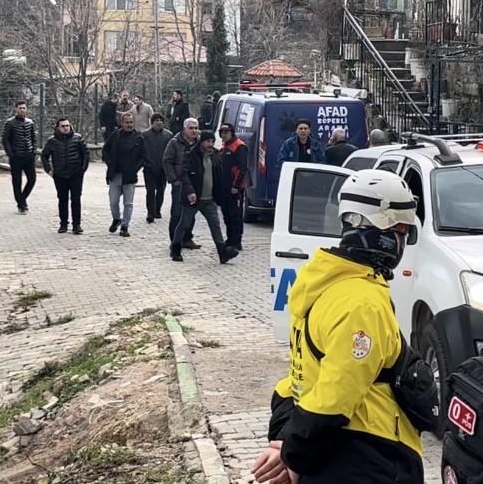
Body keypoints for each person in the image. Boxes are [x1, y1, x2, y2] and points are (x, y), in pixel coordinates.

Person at [253, 169, 424, 484]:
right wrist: (294, 457)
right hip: (369, 457)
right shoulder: (362, 303)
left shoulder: (323, 282)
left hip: (329, 452)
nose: (403, 240)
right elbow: (336, 396)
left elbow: (303, 373)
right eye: (401, 229)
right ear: (380, 229)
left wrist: (288, 441)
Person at [173, 131, 238, 264]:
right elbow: (184, 175)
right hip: (194, 199)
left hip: (209, 199)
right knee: (184, 223)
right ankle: (175, 247)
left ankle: (222, 251)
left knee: (215, 224)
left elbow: (218, 175)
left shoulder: (215, 155)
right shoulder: (190, 155)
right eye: (208, 141)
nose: (210, 144)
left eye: (212, 141)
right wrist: (190, 191)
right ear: (201, 142)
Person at [41, 118, 90, 235]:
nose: (65, 128)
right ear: (58, 127)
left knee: (76, 199)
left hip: (75, 174)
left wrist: (82, 170)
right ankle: (63, 224)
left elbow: (86, 154)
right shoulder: (52, 141)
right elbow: (44, 156)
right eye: (62, 126)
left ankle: (76, 225)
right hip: (59, 174)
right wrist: (49, 171)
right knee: (62, 199)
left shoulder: (78, 138)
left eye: (67, 125)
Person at [103, 112, 146, 237]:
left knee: (128, 203)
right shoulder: (115, 136)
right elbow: (106, 150)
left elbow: (143, 156)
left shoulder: (139, 138)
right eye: (127, 122)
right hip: (115, 173)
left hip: (130, 174)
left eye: (131, 122)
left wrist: (135, 167)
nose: (129, 124)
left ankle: (125, 226)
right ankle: (116, 218)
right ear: (122, 123)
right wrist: (110, 163)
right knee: (113, 201)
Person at [164, 118, 201, 251]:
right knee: (177, 212)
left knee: (191, 212)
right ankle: (175, 240)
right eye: (191, 128)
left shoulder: (199, 143)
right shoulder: (174, 143)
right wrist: (174, 179)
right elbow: (167, 161)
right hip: (179, 183)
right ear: (185, 129)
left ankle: (187, 238)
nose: (194, 131)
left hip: (194, 183)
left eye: (196, 128)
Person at [2, 101, 38, 214]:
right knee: (17, 181)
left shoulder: (30, 122)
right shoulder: (10, 123)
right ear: (16, 109)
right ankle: (21, 205)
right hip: (16, 156)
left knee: (32, 179)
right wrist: (10, 153)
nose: (22, 110)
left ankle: (22, 199)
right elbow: (5, 139)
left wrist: (34, 150)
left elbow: (33, 138)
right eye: (20, 108)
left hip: (28, 155)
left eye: (24, 108)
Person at [218, 123, 248, 251]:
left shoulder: (239, 146)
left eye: (226, 132)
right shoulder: (224, 147)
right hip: (224, 186)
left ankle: (237, 240)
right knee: (226, 214)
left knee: (235, 214)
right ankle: (230, 238)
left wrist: (236, 186)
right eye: (222, 132)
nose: (223, 135)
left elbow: (243, 168)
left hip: (235, 187)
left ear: (232, 132)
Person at [141, 113, 173, 223]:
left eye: (161, 120)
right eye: (156, 120)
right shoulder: (145, 135)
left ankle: (157, 210)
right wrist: (145, 161)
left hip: (163, 168)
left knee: (160, 190)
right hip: (149, 167)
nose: (159, 123)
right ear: (152, 122)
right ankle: (150, 212)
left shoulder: (168, 135)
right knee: (150, 190)